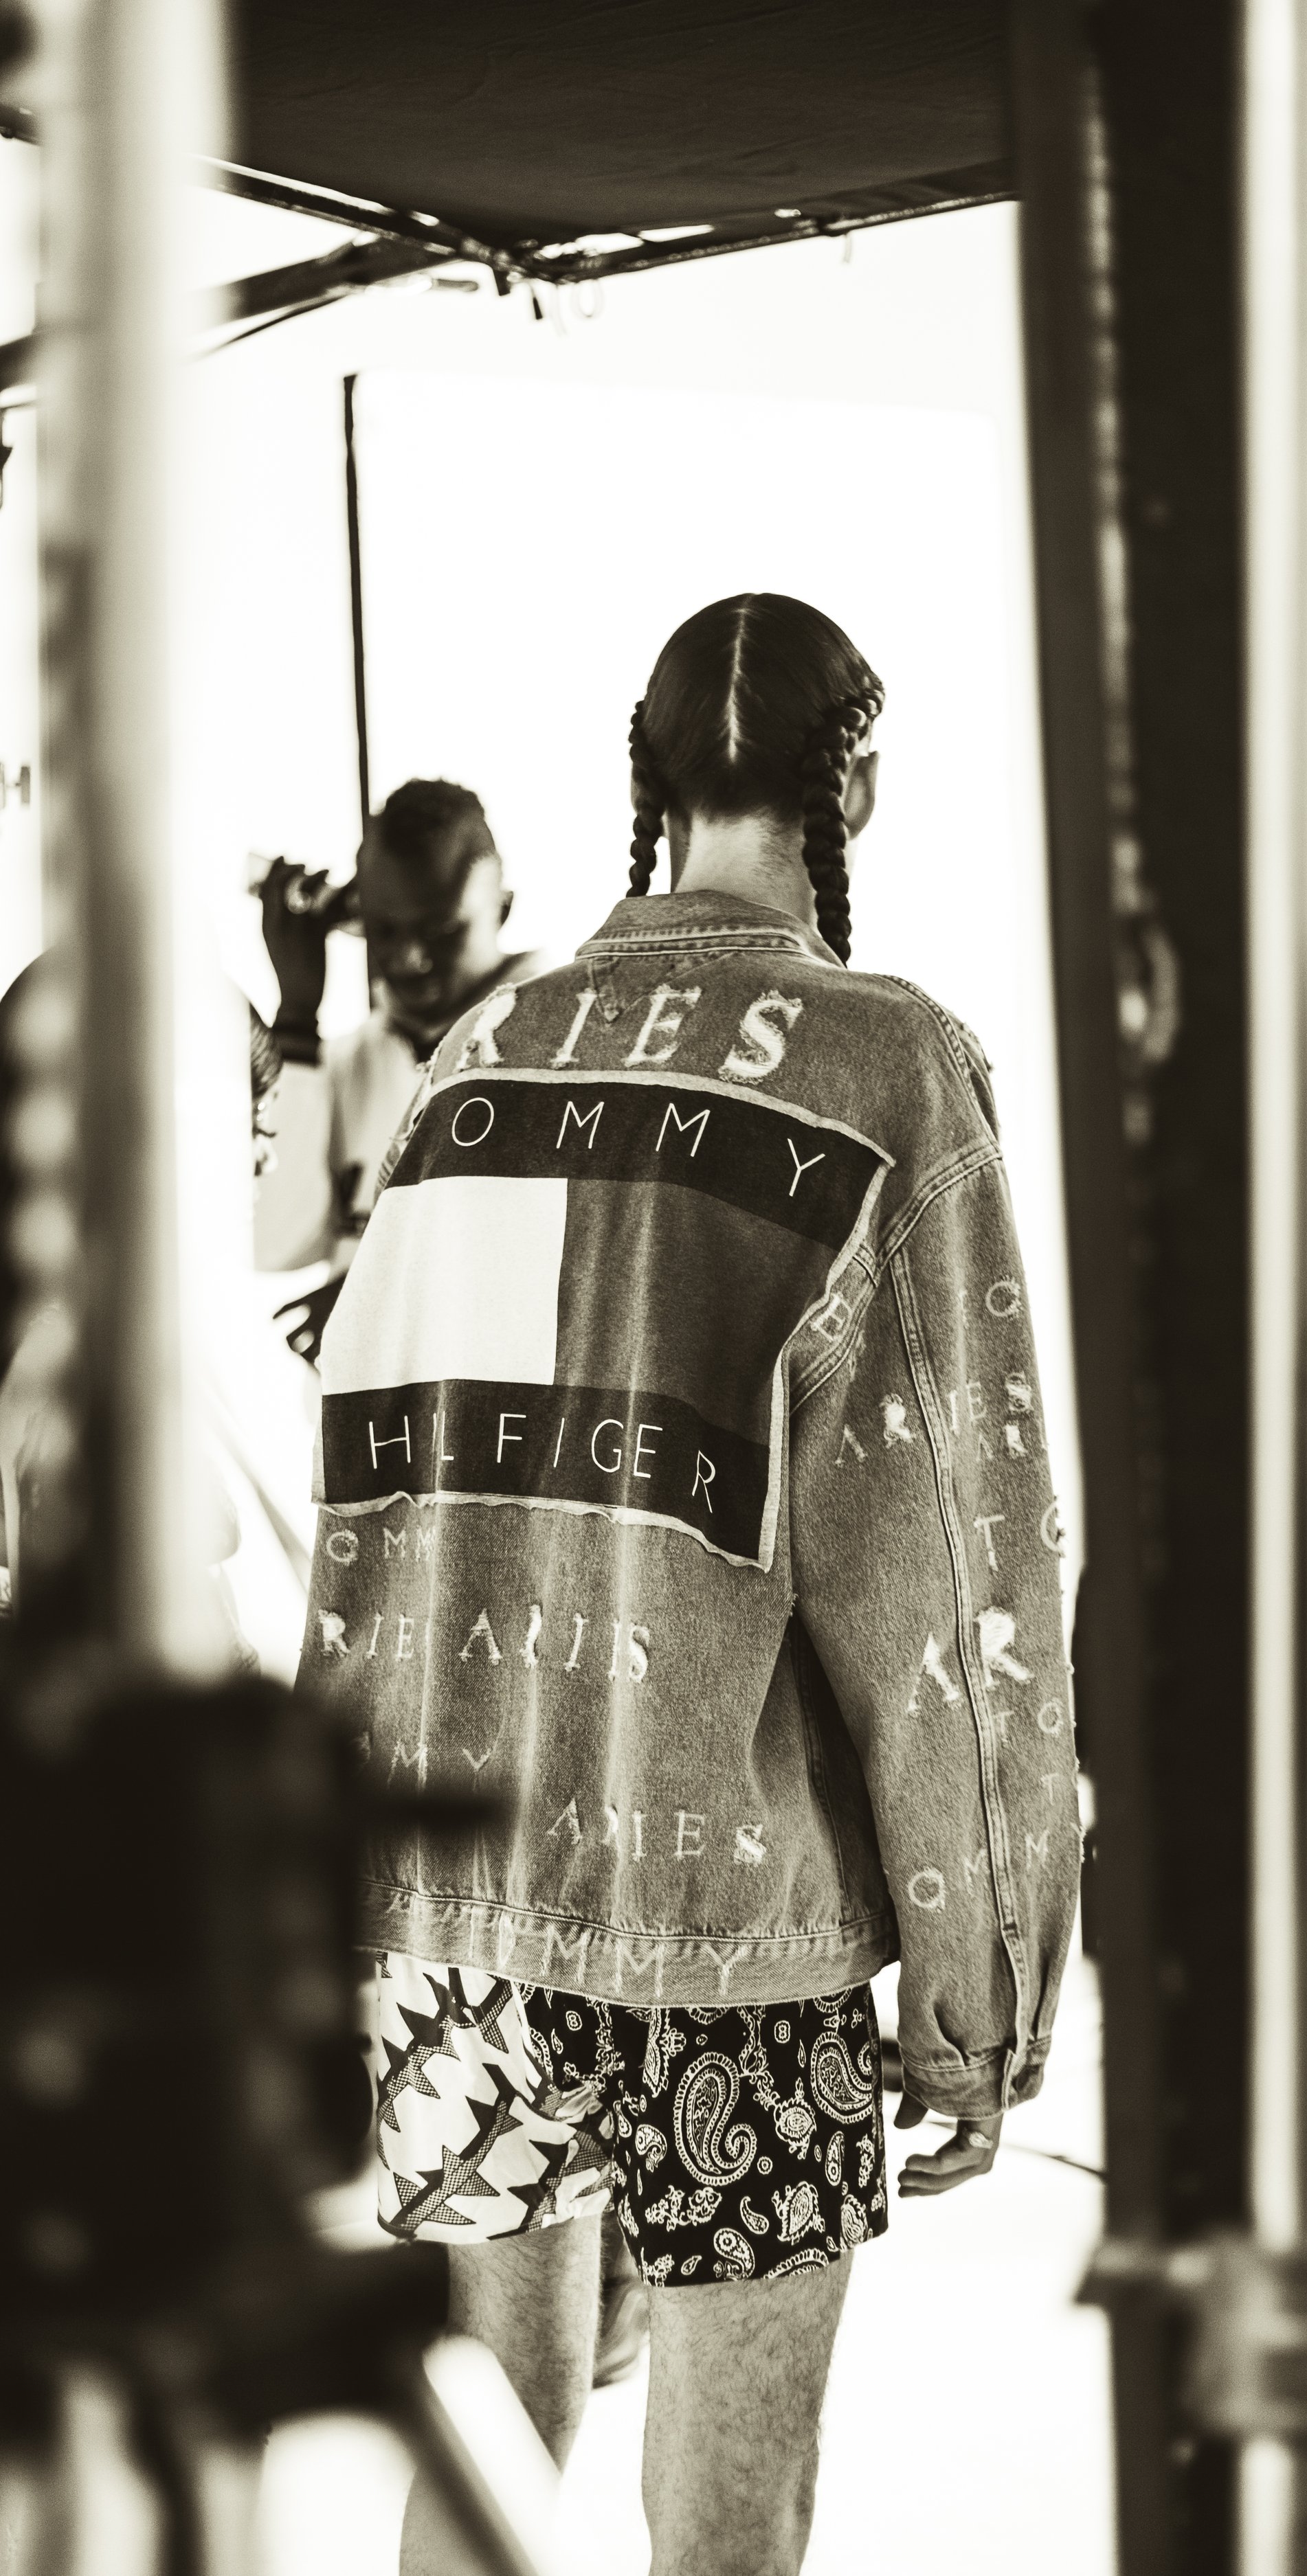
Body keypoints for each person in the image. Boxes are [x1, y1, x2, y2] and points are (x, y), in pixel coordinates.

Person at [302, 596, 1080, 2576]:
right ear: (859, 781)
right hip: (738, 1917)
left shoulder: (476, 1053)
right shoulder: (886, 1064)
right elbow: (964, 1590)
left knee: (491, 2451)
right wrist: (982, 1992)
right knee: (723, 2528)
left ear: (643, 785)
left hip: (449, 1907)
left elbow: (367, 1479)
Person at [254, 779, 550, 1359]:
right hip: (360, 1437)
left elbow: (552, 1265)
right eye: (385, 931)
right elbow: (275, 1242)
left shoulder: (564, 1046)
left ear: (503, 907)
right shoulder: (340, 1065)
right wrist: (295, 1017)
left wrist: (381, 1293)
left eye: (441, 932)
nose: (409, 959)